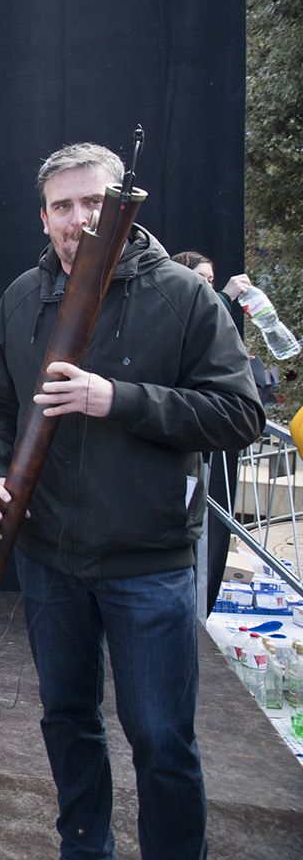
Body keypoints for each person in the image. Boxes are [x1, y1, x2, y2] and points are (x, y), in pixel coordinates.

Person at [0, 143, 263, 860]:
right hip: (47, 559)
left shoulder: (183, 296)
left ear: (122, 208)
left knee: (162, 740)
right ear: (43, 218)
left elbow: (239, 414)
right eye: (63, 206)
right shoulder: (20, 297)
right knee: (67, 722)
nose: (79, 219)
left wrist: (116, 399)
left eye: (93, 203)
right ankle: (84, 857)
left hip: (146, 562)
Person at [171, 250, 261, 616]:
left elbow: (238, 413)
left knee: (193, 537)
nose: (206, 287)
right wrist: (223, 295)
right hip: (166, 467)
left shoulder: (210, 323)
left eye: (210, 280)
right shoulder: (172, 315)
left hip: (196, 457)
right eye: (201, 280)